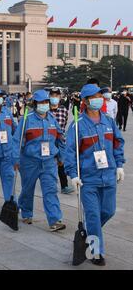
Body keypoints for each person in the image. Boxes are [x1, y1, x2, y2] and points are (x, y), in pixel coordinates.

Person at [65, 84, 125, 266]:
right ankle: (96, 252)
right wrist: (73, 175)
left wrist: (120, 165)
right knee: (92, 215)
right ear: (84, 101)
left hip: (108, 175)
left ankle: (92, 233)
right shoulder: (77, 125)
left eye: (100, 95)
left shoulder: (108, 121)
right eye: (94, 96)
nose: (98, 98)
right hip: (88, 179)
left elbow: (117, 143)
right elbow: (70, 152)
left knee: (108, 211)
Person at [12, 89, 66, 232]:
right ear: (35, 104)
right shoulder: (26, 119)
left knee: (50, 190)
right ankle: (26, 212)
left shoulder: (52, 119)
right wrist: (15, 159)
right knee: (27, 189)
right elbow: (16, 141)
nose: (44, 104)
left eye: (46, 102)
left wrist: (61, 156)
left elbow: (60, 138)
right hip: (30, 161)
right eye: (41, 102)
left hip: (49, 161)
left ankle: (54, 220)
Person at [49, 88, 74, 194]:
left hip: (60, 141)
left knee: (61, 163)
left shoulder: (64, 109)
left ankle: (64, 186)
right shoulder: (45, 110)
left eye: (57, 96)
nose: (55, 98)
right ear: (49, 97)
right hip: (48, 141)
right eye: (52, 95)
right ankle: (50, 185)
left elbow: (64, 124)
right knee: (49, 164)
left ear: (60, 97)